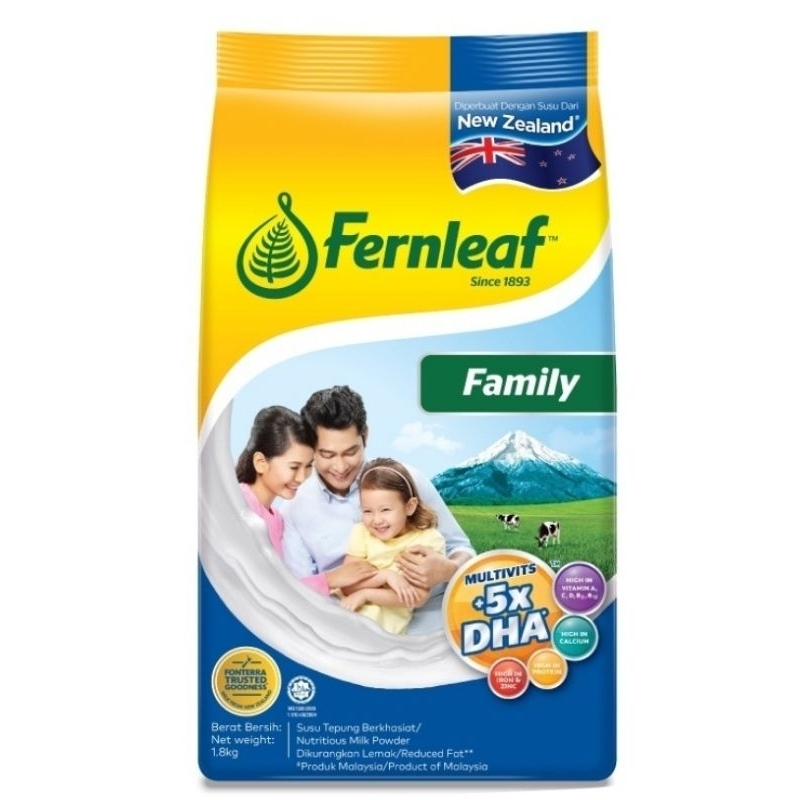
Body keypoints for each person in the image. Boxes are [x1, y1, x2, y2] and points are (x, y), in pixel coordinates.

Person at [281, 386, 475, 634]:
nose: (340, 466)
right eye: (327, 455)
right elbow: (302, 593)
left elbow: (461, 547)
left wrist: (449, 569)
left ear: (365, 436)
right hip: (354, 626)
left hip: (432, 621)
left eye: (350, 452)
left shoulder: (406, 480)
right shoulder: (295, 508)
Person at [236, 405, 376, 593]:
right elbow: (258, 588)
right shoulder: (238, 505)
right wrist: (331, 579)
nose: (302, 477)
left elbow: (282, 585)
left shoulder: (276, 518)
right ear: (261, 463)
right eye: (294, 467)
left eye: (308, 466)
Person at [339, 458, 446, 635]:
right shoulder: (361, 532)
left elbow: (417, 597)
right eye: (367, 511)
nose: (376, 520)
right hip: (341, 610)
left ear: (409, 506)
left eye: (385, 510)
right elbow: (347, 586)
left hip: (378, 630)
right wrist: (386, 576)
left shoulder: (428, 540)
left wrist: (365, 594)